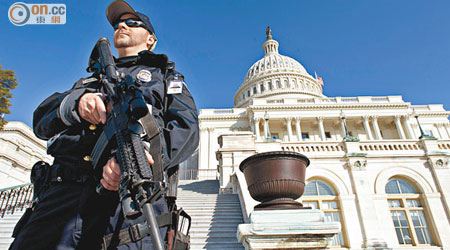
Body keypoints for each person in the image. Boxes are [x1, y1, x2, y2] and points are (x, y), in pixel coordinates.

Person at [9, 0, 199, 249]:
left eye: (132, 23)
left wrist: (143, 160)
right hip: (62, 197)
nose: (122, 25)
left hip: (129, 203)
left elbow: (187, 129)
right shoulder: (87, 82)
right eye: (118, 23)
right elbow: (41, 120)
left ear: (150, 39)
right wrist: (76, 104)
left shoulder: (165, 78)